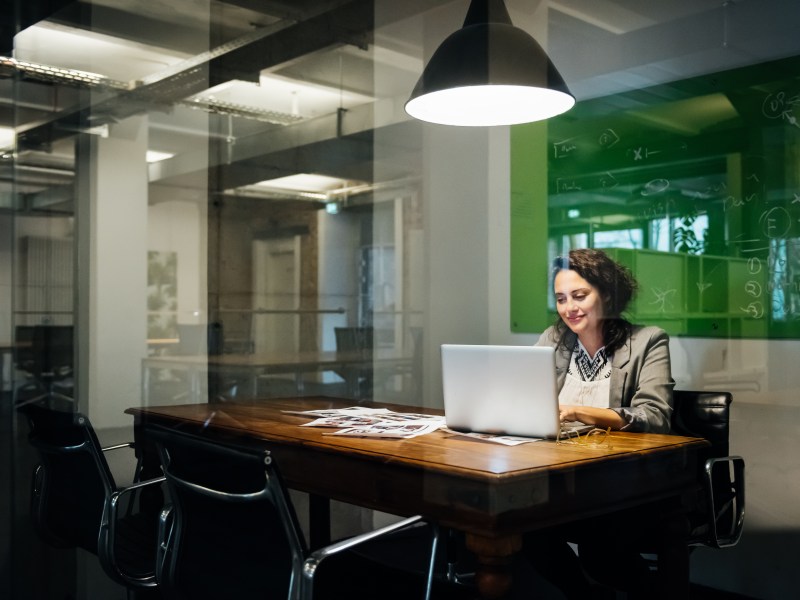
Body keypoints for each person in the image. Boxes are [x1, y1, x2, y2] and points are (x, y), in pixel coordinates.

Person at [524, 248, 688, 600]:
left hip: (630, 480)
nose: (570, 308)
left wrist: (577, 411)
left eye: (580, 296)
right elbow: (526, 399)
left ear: (608, 295)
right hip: (567, 476)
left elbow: (654, 416)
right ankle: (587, 596)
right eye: (561, 298)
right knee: (523, 528)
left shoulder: (647, 341)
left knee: (601, 550)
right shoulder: (553, 340)